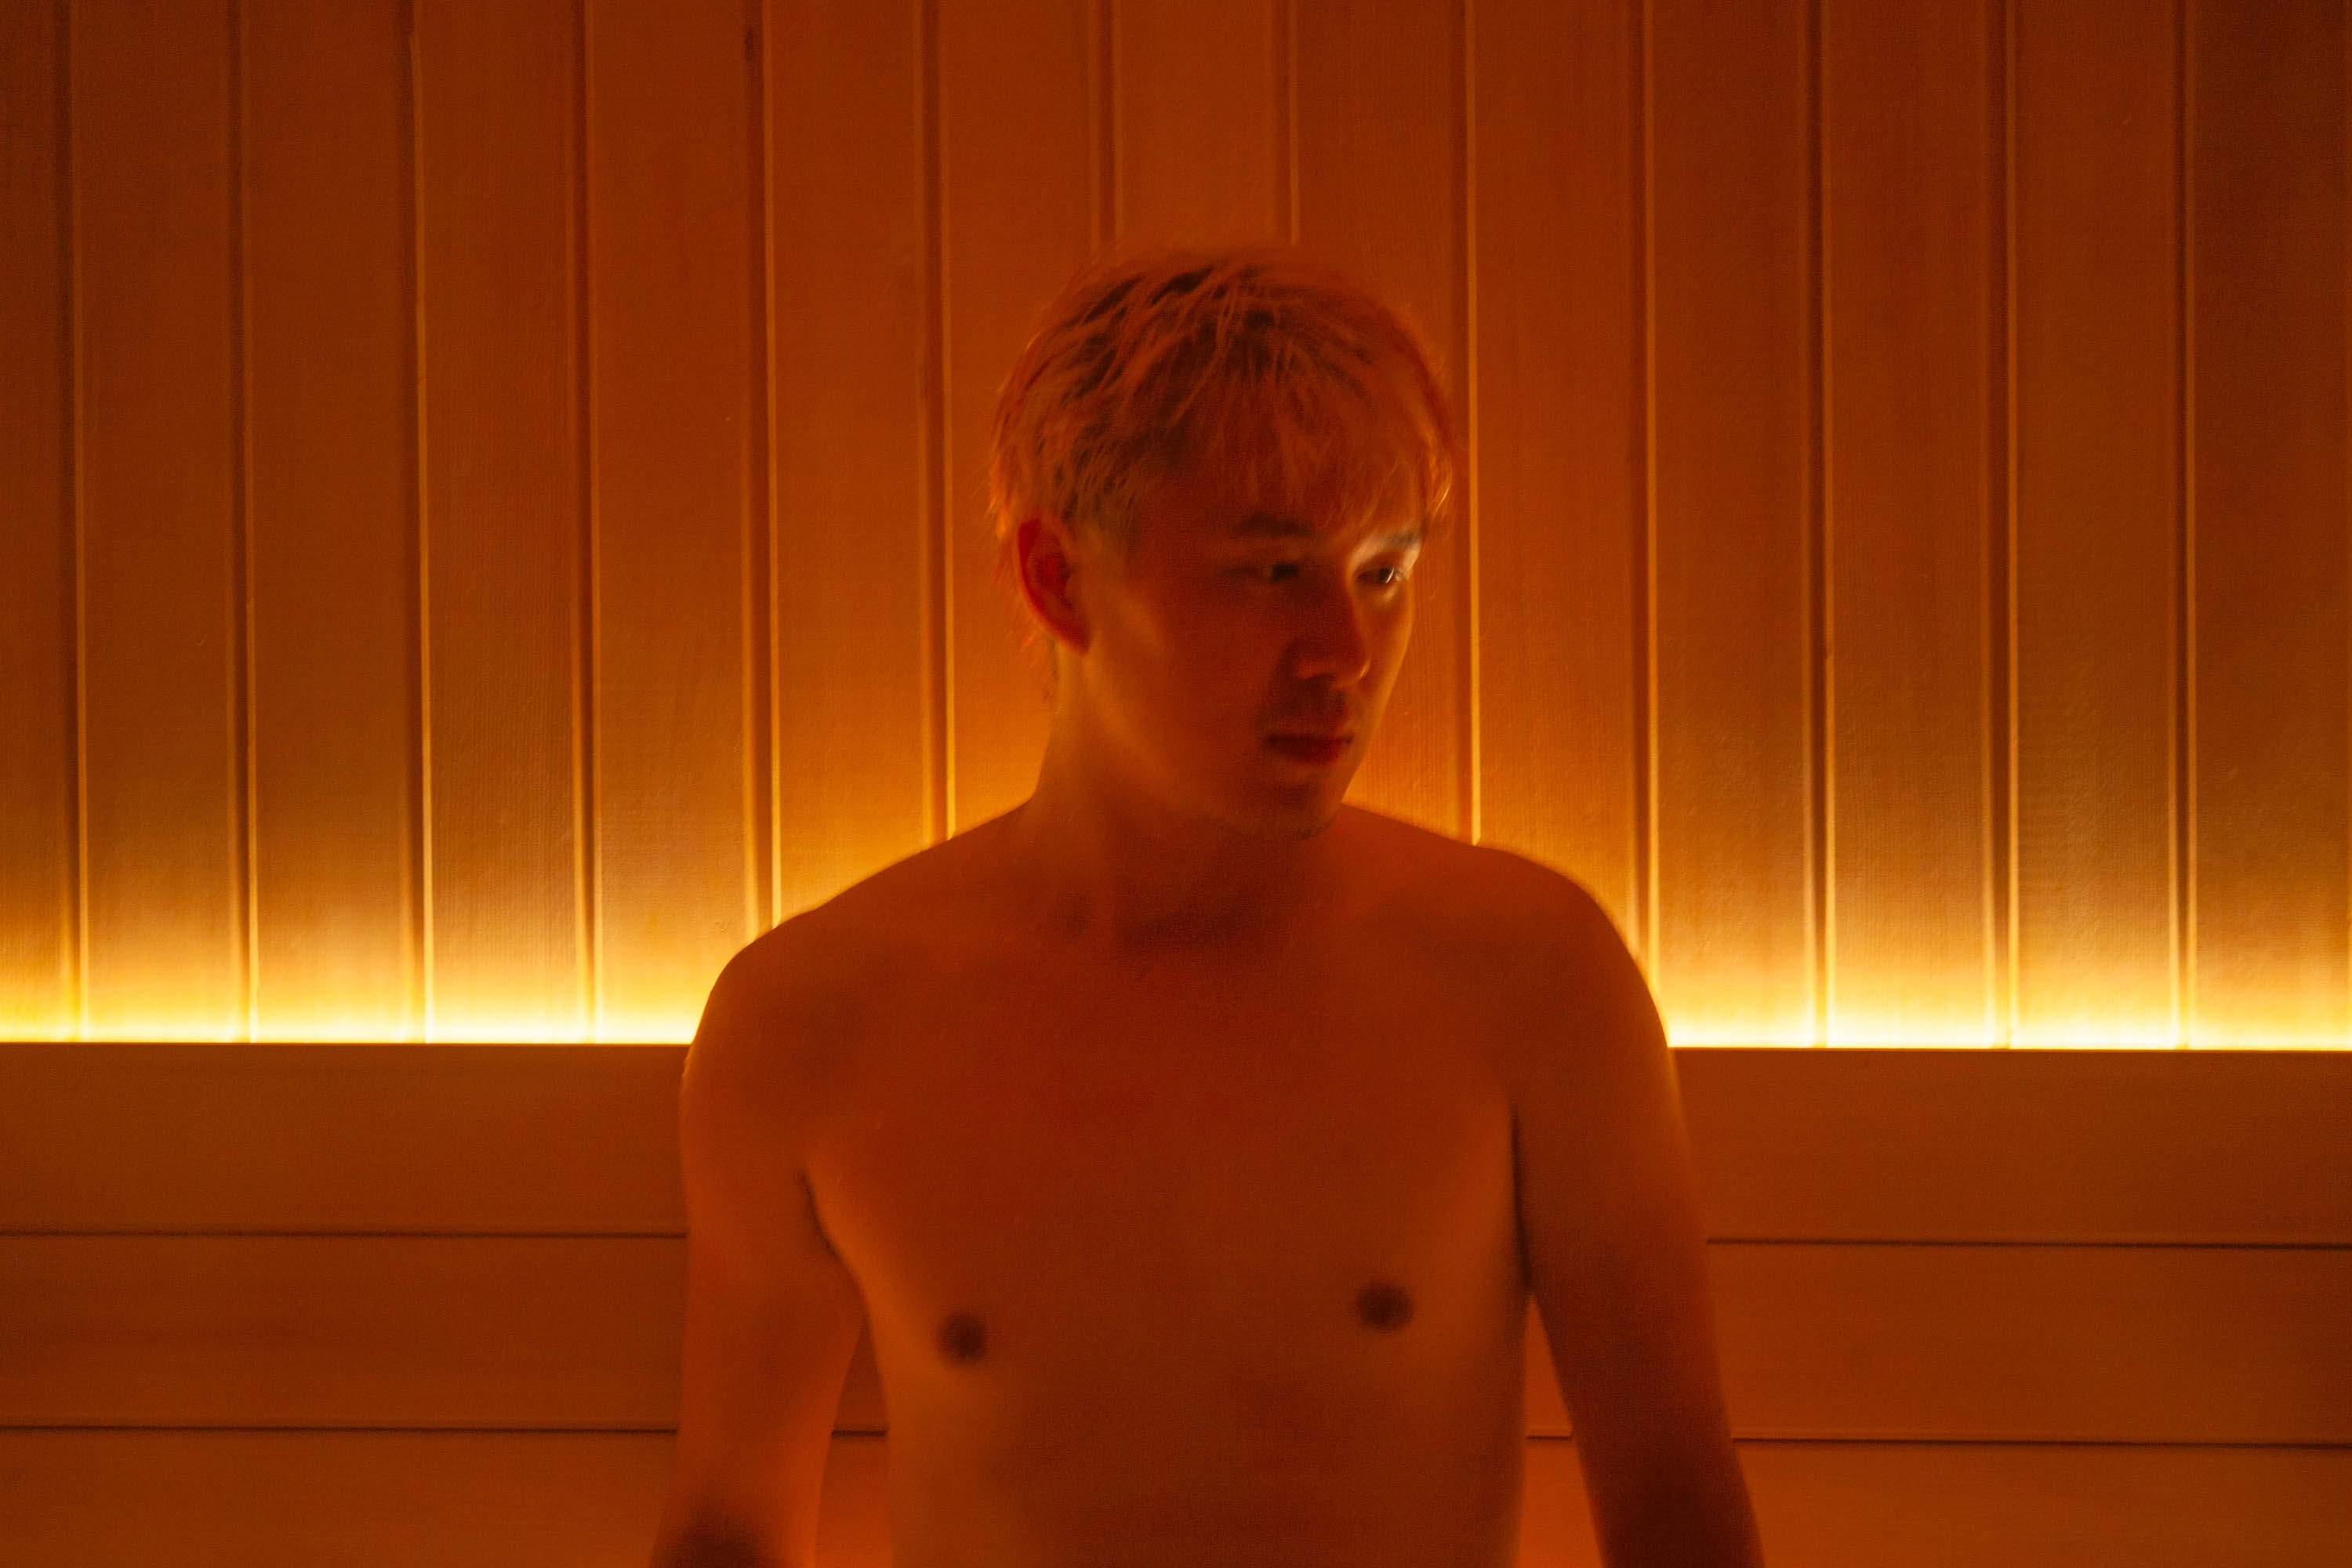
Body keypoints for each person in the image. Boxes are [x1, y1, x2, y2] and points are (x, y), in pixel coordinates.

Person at [648, 245, 1765, 1568]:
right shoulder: (811, 1021)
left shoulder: (1530, 981)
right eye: (1271, 571)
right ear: (1059, 581)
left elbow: (1681, 1518)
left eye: (1385, 573)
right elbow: (729, 1534)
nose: (1345, 652)